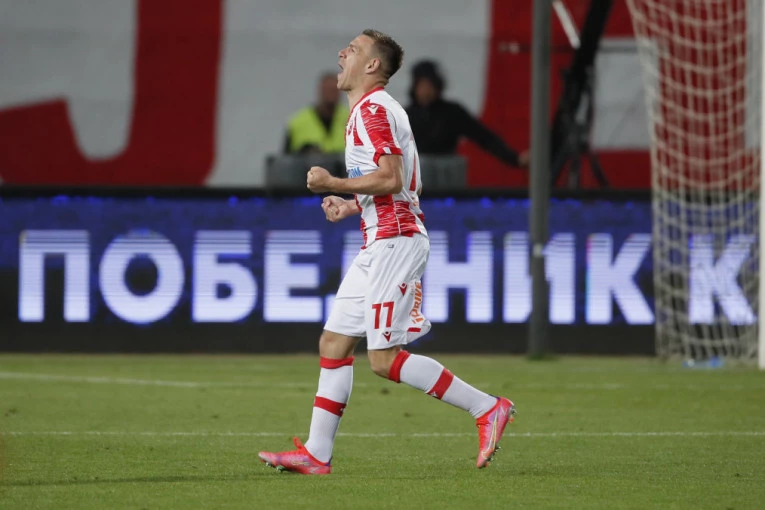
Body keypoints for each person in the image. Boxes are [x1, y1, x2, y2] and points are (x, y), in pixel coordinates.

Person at [258, 29, 516, 475]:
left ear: (372, 65)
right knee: (334, 342)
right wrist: (351, 204)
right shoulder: (373, 109)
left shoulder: (373, 110)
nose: (342, 53)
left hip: (396, 242)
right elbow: (397, 182)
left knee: (383, 359)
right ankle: (317, 453)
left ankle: (488, 408)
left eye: (353, 49)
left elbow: (391, 177)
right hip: (379, 239)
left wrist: (333, 182)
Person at [406, 60, 529, 168]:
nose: (426, 91)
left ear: (438, 86)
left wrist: (515, 158)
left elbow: (485, 138)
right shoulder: (404, 116)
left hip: (446, 175)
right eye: (421, 86)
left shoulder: (452, 113)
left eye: (429, 86)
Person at [283, 72, 350, 154]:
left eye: (334, 90)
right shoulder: (297, 123)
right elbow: (285, 158)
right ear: (320, 90)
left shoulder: (353, 119)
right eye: (328, 90)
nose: (331, 94)